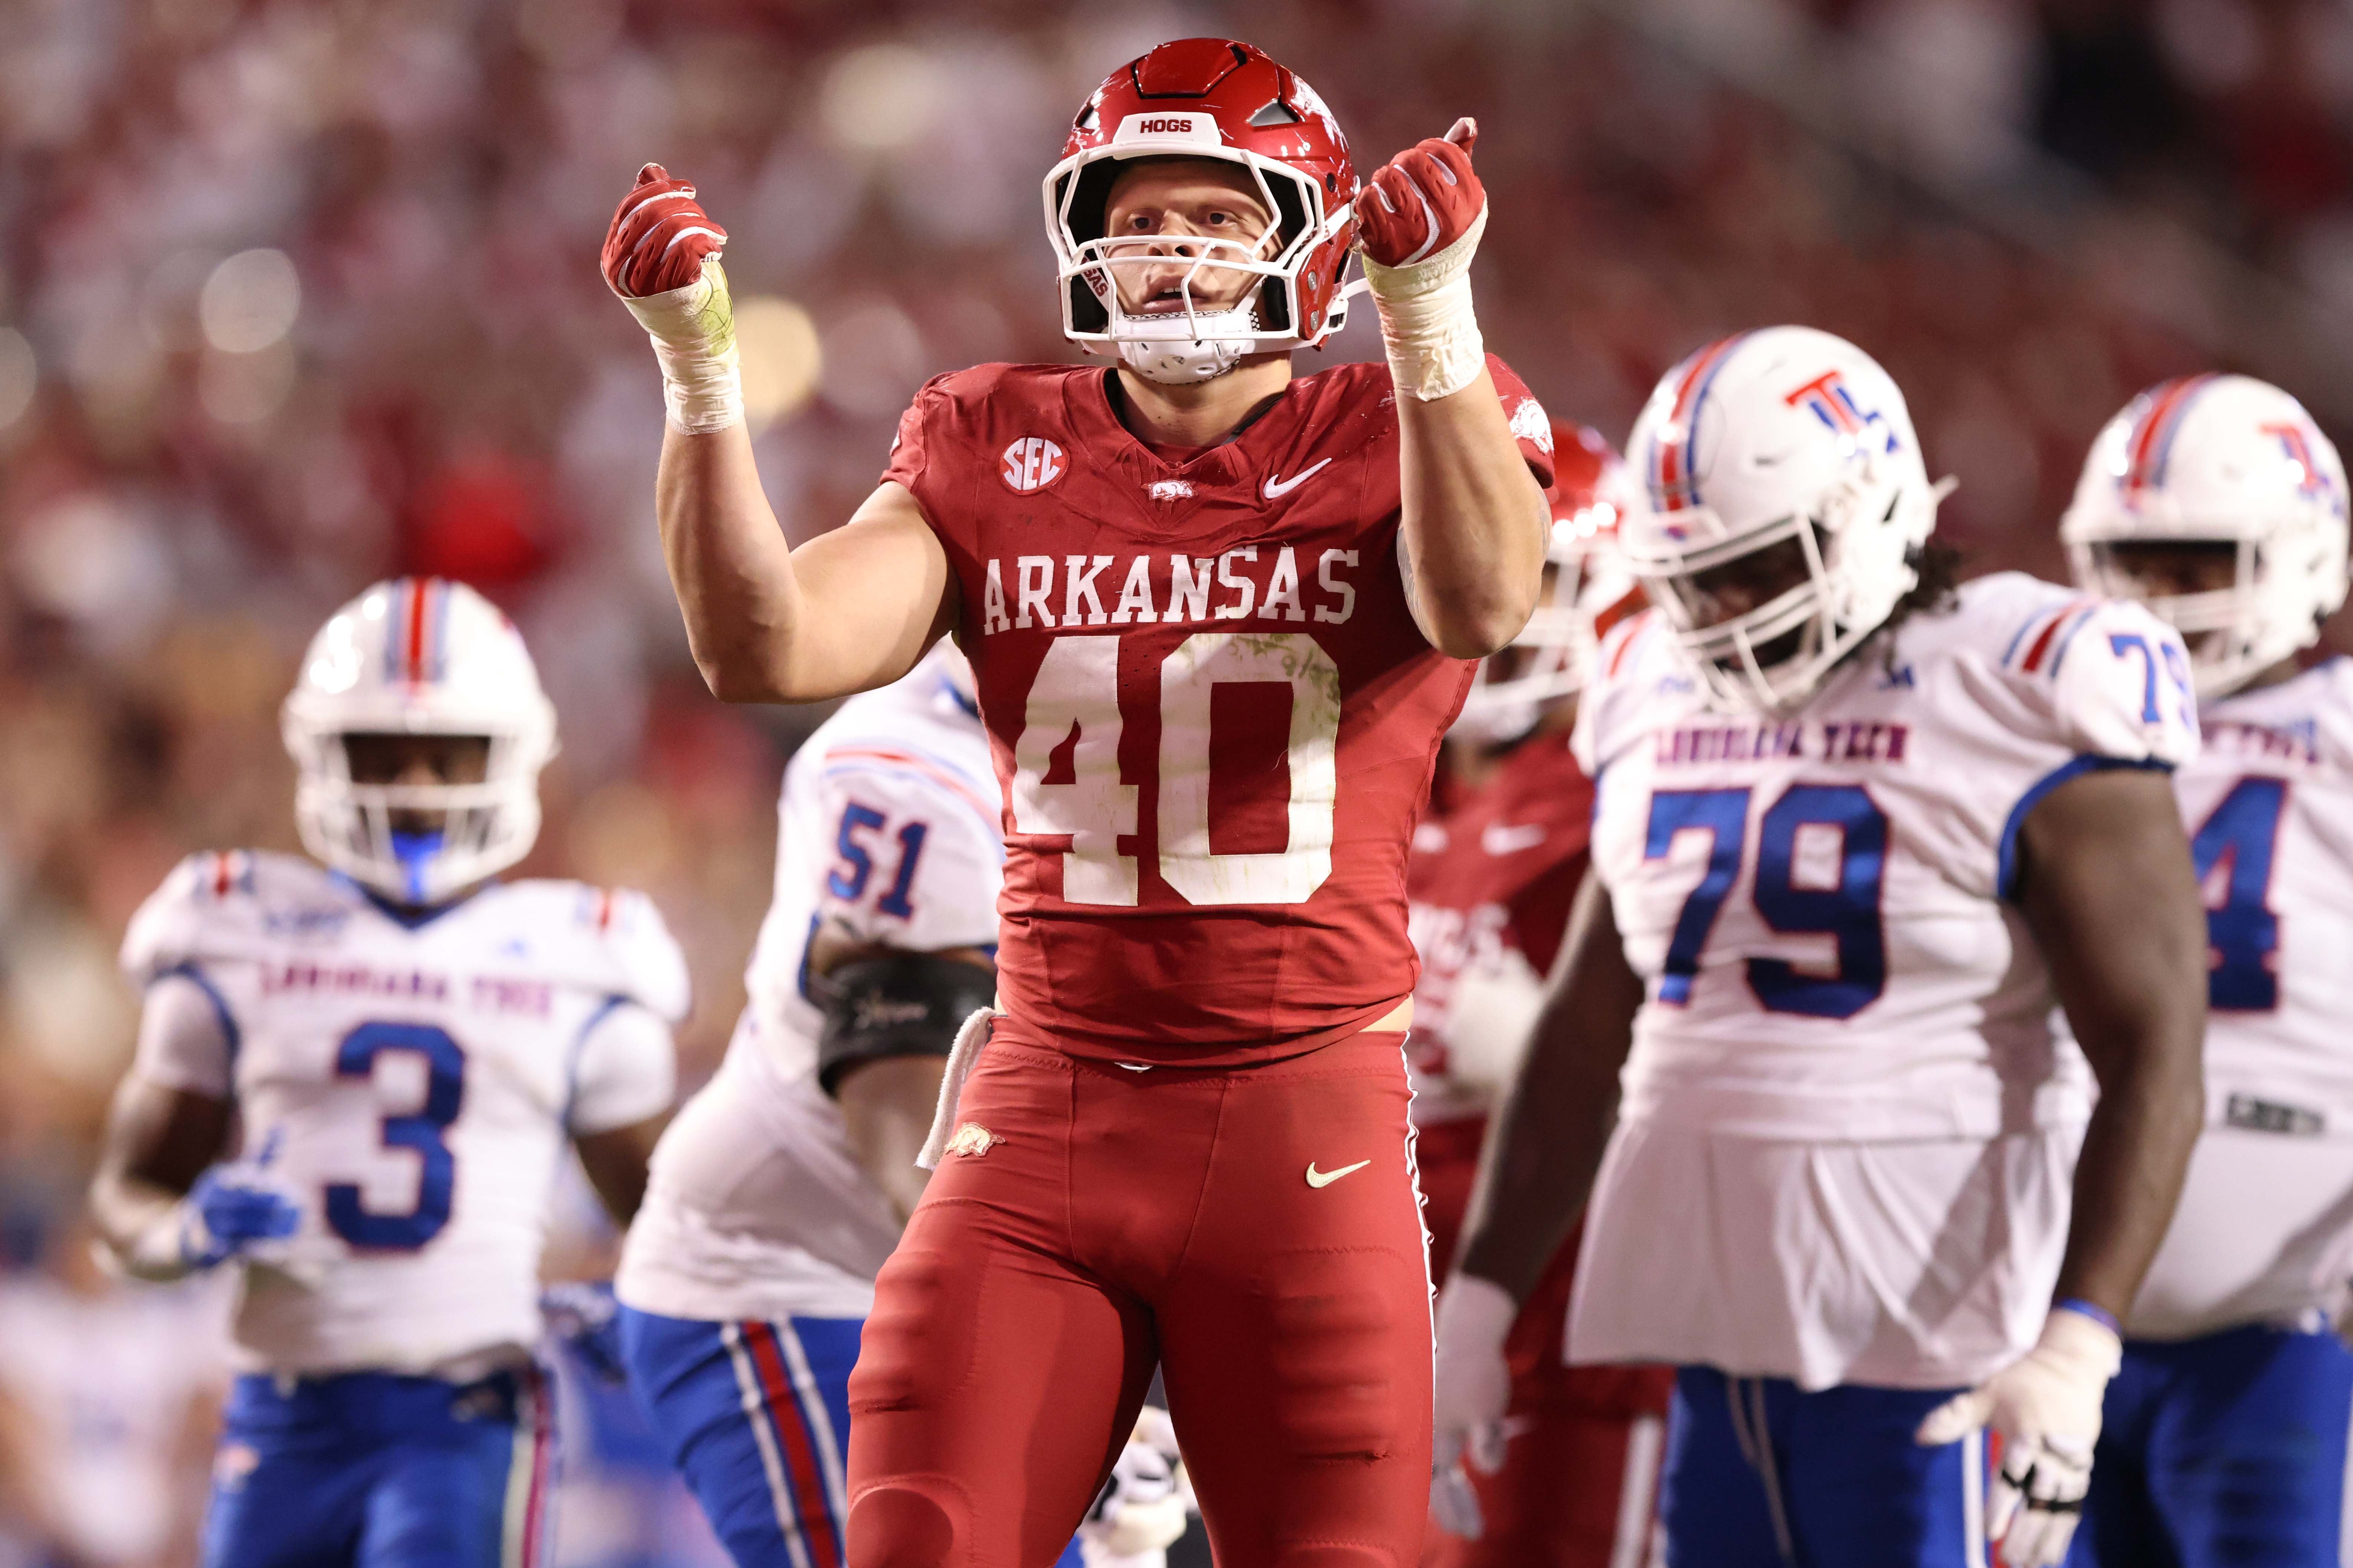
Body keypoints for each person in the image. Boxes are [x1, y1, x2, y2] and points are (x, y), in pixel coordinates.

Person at [602, 35, 1554, 1567]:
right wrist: (699, 373)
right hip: (1044, 1117)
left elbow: (1482, 598)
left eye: (1215, 216)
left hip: (1303, 1134)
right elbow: (763, 640)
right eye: (1137, 213)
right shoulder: (987, 434)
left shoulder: (1394, 420)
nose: (1167, 251)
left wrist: (1430, 317)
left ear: (1308, 242)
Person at [1434, 326, 2210, 1568]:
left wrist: (2081, 1333)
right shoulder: (1647, 678)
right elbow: (1593, 1023)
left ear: (1871, 510)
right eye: (1688, 580)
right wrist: (1478, 1304)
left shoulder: (2023, 676)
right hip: (1712, 1334)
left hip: (1942, 1347)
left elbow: (2159, 1035)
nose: (1714, 617)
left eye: (1750, 571)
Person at [86, 577, 687, 1568]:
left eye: (448, 754)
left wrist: (645, 1304)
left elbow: (666, 1227)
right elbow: (126, 1197)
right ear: (322, 754)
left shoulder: (582, 953)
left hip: (467, 1411)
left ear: (514, 757)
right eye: (381, 751)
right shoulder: (232, 925)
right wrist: (184, 1232)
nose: (412, 783)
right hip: (282, 1408)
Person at [613, 643, 1187, 1568]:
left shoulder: (1174, 725)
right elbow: (904, 1139)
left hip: (1002, 1281)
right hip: (804, 1275)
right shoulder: (917, 770)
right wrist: (1069, 1399)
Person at [2056, 374, 2353, 1567]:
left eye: (2195, 559)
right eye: (2132, 564)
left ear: (2304, 558)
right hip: (2058, 1326)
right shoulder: (2054, 732)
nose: (2158, 601)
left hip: (2285, 1324)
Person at [1409, 423, 1673, 1567]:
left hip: (1556, 1340)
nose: (1499, 611)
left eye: (1537, 579)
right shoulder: (1371, 767)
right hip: (1377, 1318)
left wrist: (1559, 1052)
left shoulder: (1621, 782)